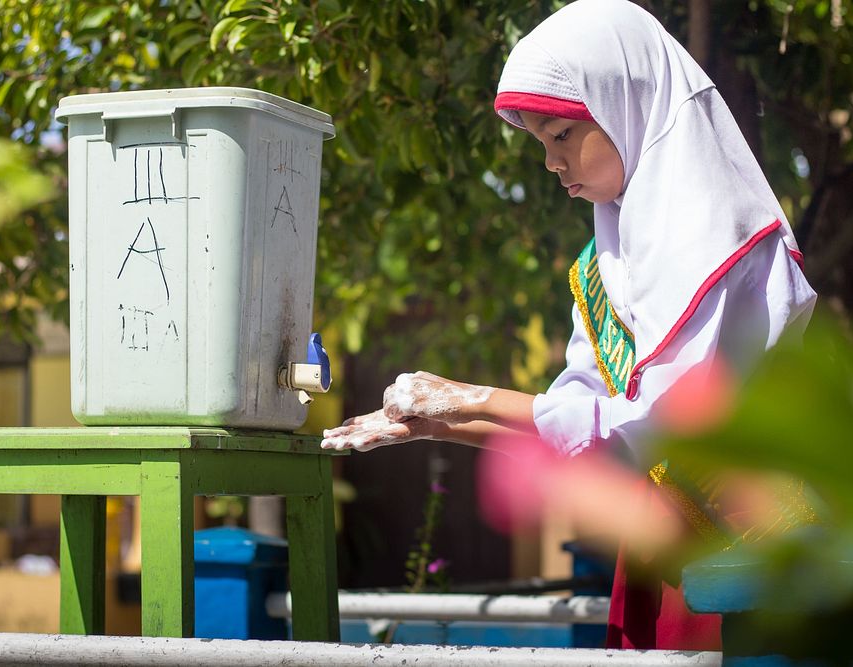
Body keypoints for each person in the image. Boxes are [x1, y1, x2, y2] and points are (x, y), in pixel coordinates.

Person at [321, 0, 817, 651]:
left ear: (626, 104)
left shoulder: (719, 239)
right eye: (539, 144)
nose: (552, 163)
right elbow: (580, 418)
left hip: (758, 551)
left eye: (561, 135)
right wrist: (437, 424)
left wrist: (470, 399)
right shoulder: (603, 262)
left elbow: (651, 423)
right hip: (663, 542)